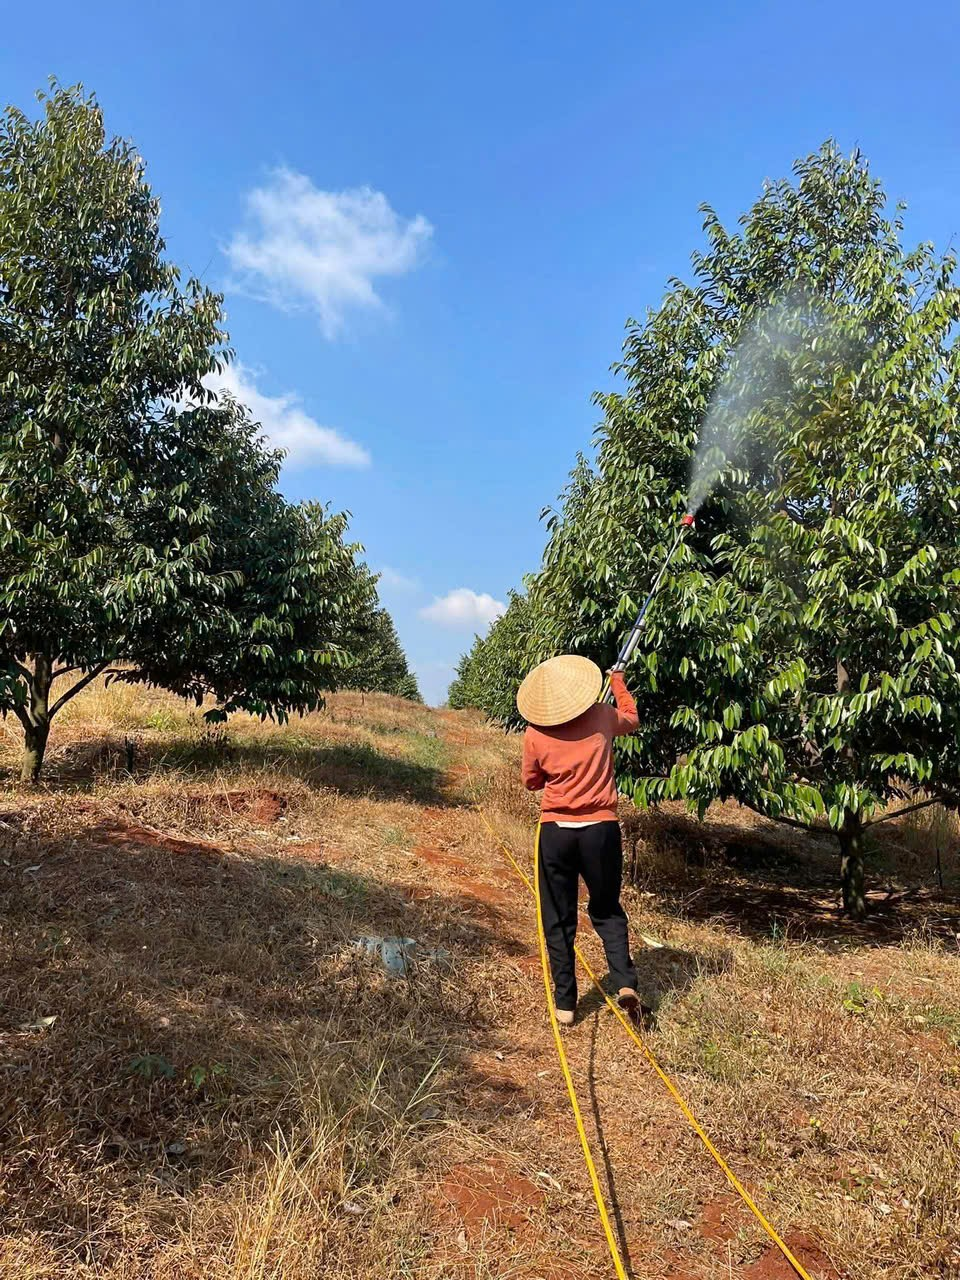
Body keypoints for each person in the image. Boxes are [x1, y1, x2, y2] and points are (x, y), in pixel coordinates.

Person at [517, 654, 643, 1027]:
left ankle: (566, 1005)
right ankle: (625, 983)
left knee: (558, 916)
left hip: (556, 832)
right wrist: (617, 680)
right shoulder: (603, 715)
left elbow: (531, 781)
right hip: (600, 830)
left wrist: (555, 773)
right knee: (606, 908)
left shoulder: (534, 732)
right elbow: (632, 718)